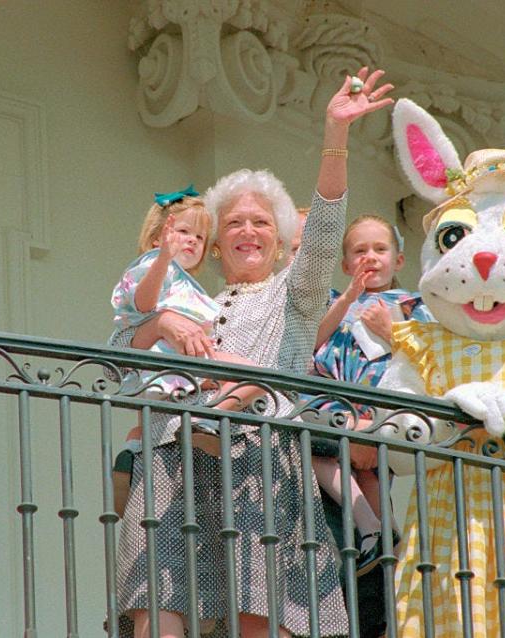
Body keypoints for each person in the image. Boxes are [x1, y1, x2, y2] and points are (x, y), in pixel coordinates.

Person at [112, 67, 395, 638]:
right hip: (175, 462)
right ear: (216, 243)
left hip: (260, 466)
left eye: (261, 221)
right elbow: (122, 355)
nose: (248, 230)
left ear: (280, 234)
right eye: (235, 222)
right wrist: (162, 318)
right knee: (157, 617)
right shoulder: (192, 299)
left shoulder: (298, 291)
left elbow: (326, 225)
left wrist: (334, 136)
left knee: (260, 620)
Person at [308, 214, 433, 637]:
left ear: (398, 258)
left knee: (371, 467)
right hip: (338, 402)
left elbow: (432, 359)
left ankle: (380, 539)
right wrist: (347, 298)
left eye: (379, 250)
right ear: (345, 264)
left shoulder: (413, 305)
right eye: (359, 251)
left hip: (382, 410)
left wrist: (393, 331)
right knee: (318, 447)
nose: (369, 258)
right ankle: (379, 538)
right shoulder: (335, 300)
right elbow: (314, 342)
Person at [110, 189, 250, 514]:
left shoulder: (184, 281)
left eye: (199, 237)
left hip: (176, 363)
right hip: (170, 360)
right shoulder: (154, 265)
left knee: (153, 421)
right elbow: (145, 303)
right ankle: (212, 420)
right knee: (253, 374)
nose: (191, 241)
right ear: (158, 236)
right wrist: (162, 259)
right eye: (183, 231)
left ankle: (131, 450)